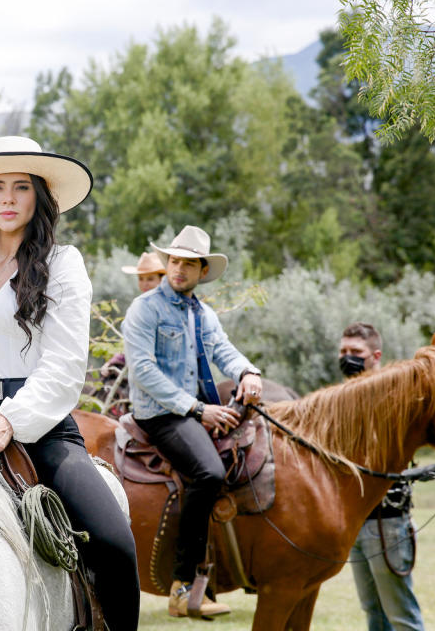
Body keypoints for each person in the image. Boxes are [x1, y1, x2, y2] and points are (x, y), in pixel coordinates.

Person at [0, 135, 140, 630]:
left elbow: (64, 365)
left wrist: (10, 423)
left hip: (37, 430)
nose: (9, 199)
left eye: (21, 187)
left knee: (113, 542)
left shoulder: (63, 265)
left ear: (39, 197)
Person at [122, 225, 262, 619]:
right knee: (209, 473)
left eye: (188, 264)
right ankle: (182, 586)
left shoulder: (204, 315)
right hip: (160, 414)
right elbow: (145, 371)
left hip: (191, 411)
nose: (178, 269)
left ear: (203, 271)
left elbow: (224, 351)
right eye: (174, 261)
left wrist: (247, 373)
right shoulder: (145, 308)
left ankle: (233, 566)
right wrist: (199, 410)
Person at [339, 322, 424, 631]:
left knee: (402, 617)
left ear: (375, 356)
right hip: (356, 521)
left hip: (387, 521)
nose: (348, 357)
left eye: (356, 352)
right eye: (343, 351)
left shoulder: (394, 397)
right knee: (374, 614)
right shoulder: (342, 399)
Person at [97, 252, 167, 415]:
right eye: (141, 279)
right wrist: (114, 362)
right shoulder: (140, 307)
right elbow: (134, 345)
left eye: (150, 279)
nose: (144, 284)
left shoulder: (164, 309)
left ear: (161, 279)